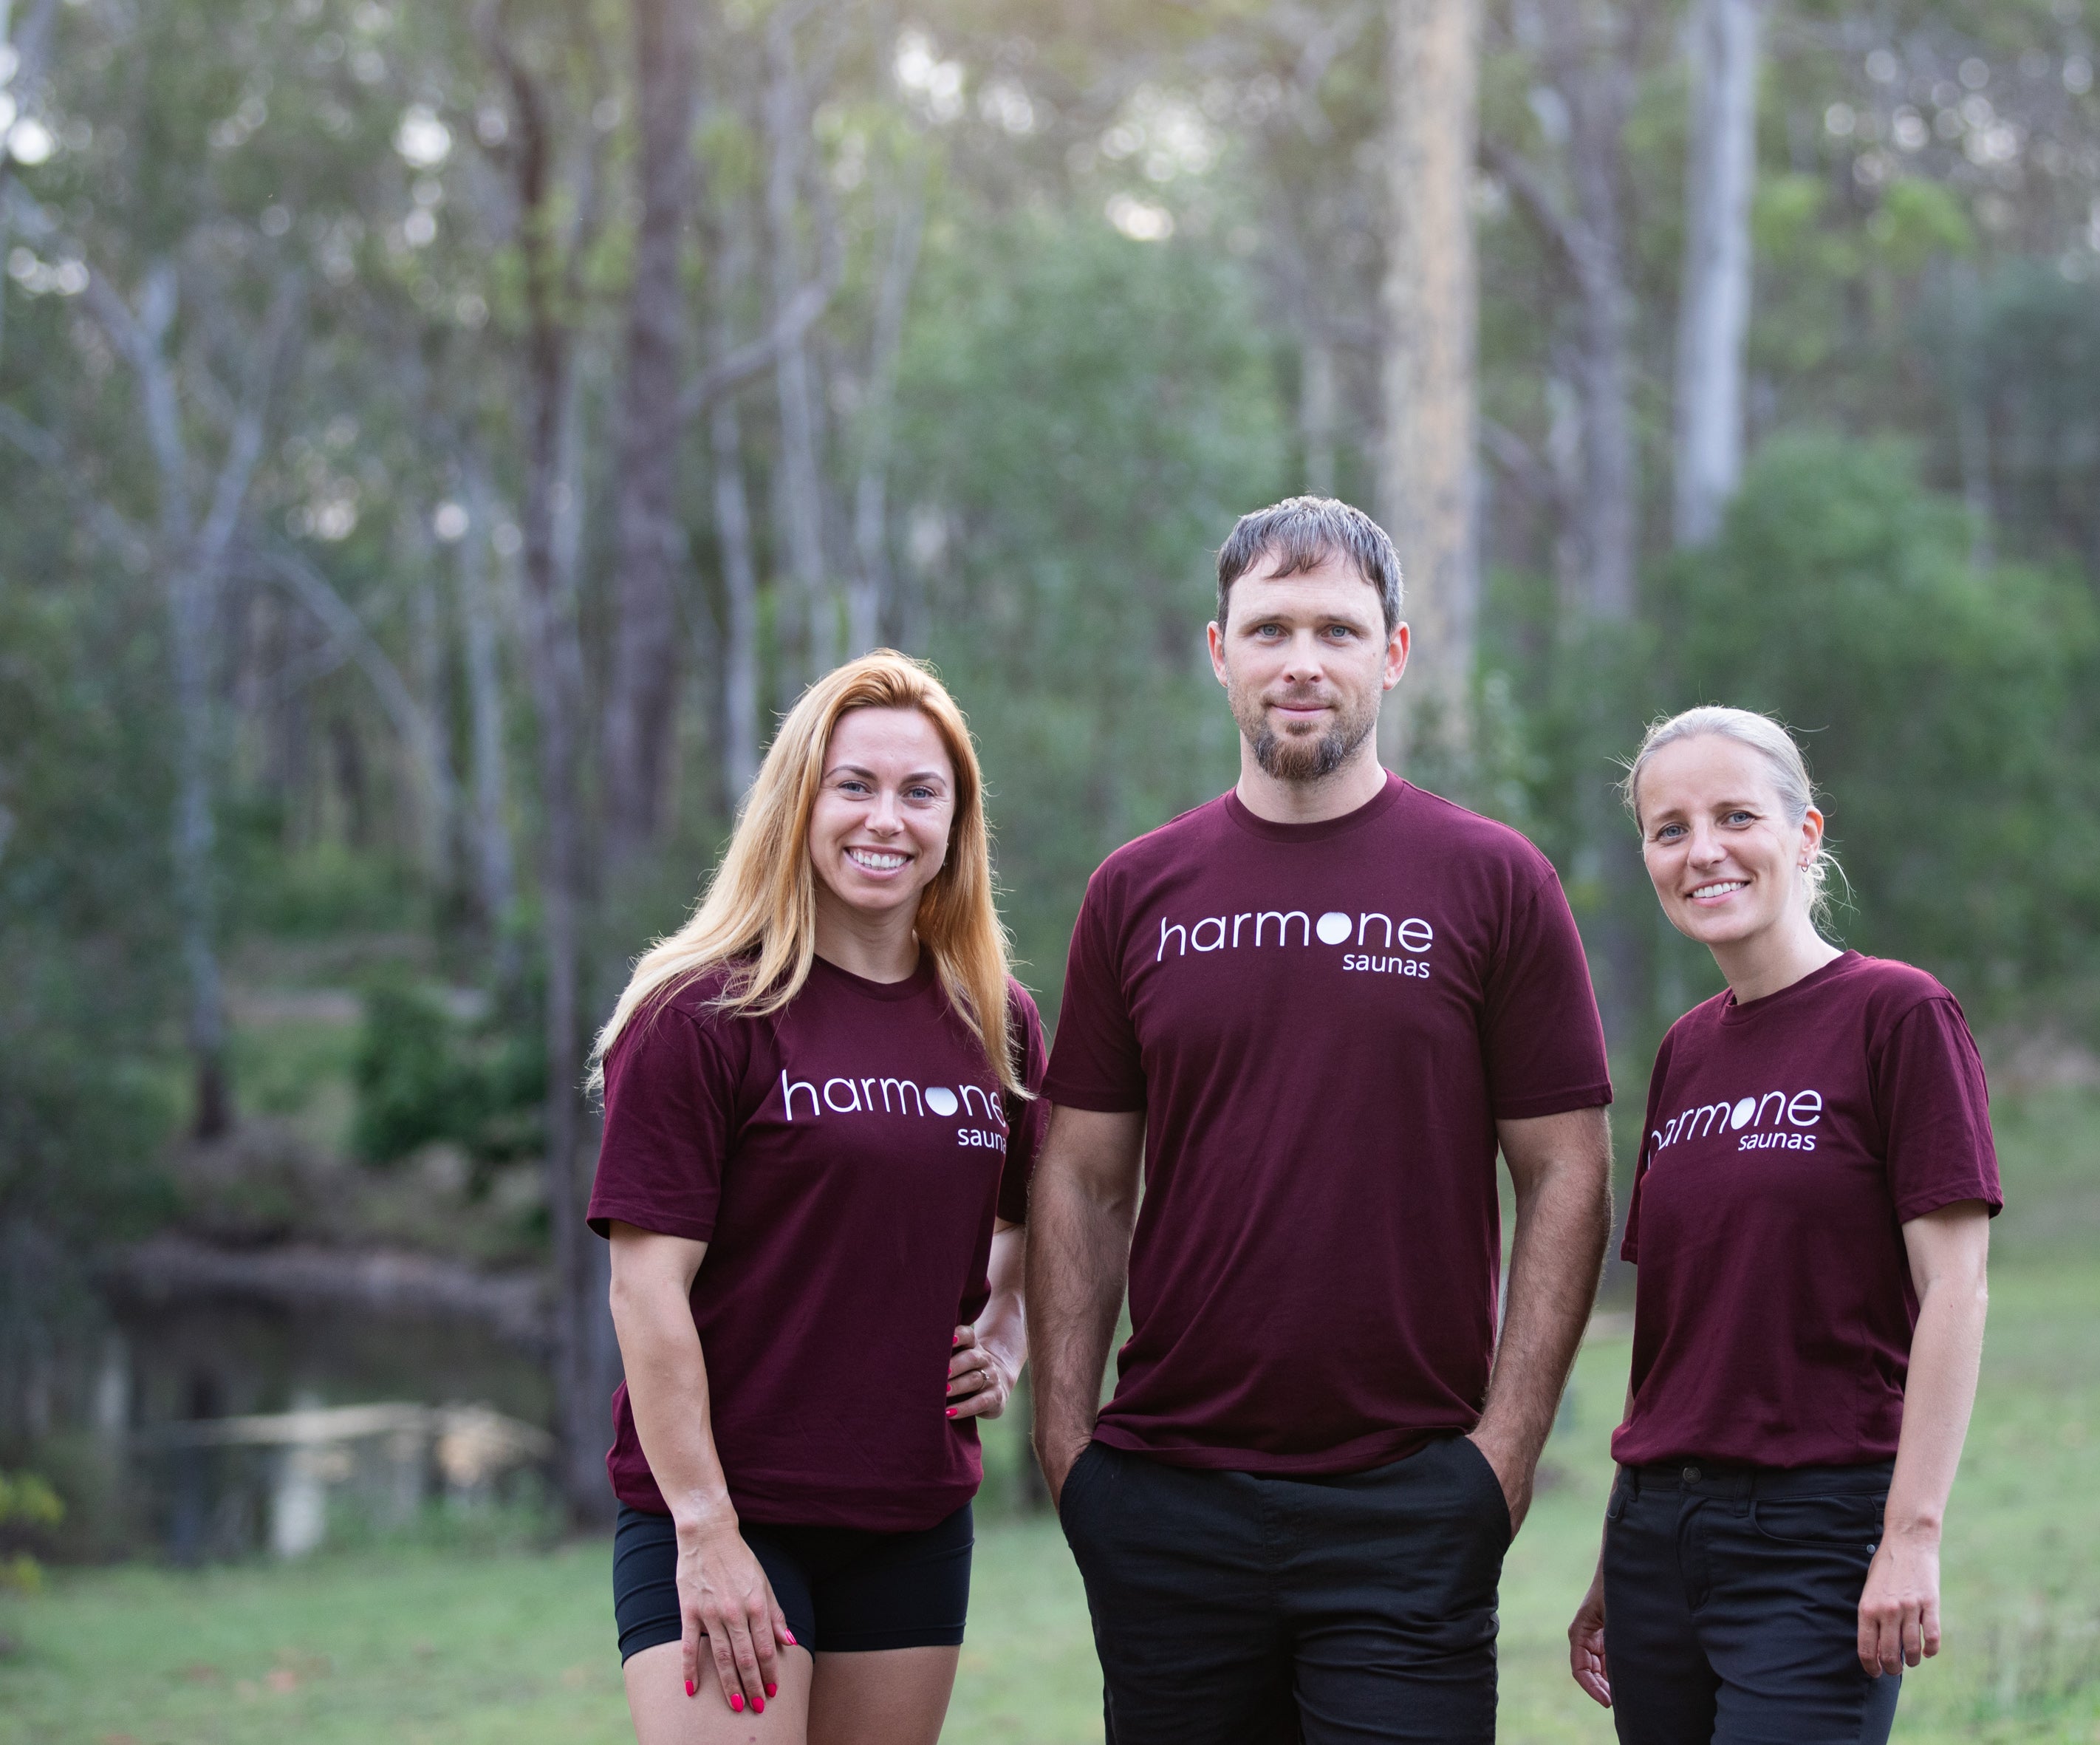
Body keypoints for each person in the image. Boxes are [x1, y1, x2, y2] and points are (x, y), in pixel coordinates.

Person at [1027, 496, 1617, 1743]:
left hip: (1411, 1500)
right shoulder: (1136, 891)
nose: (1304, 661)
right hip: (1166, 1501)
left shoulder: (1495, 881)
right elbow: (1081, 1176)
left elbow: (1565, 1173)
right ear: (1219, 650)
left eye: (1339, 630)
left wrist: (1502, 1456)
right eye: (1272, 627)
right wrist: (1070, 1450)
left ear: (1393, 654)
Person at [586, 652, 1046, 1745]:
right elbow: (645, 1290)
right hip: (726, 1510)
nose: (885, 819)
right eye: (854, 784)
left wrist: (1008, 1329)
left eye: (919, 791)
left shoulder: (998, 1021)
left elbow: (1035, 1204)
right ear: (799, 799)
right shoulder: (703, 1013)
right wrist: (706, 1527)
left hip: (911, 1514)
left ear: (955, 821)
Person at [1567, 706, 2001, 1745]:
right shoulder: (1683, 1053)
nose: (1702, 850)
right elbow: (1680, 1327)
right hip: (1656, 1540)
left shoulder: (1898, 1017)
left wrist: (1912, 1535)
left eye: (1733, 815)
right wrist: (1610, 1557)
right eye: (1669, 829)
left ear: (1804, 834)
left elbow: (1956, 1288)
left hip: (1817, 1535)